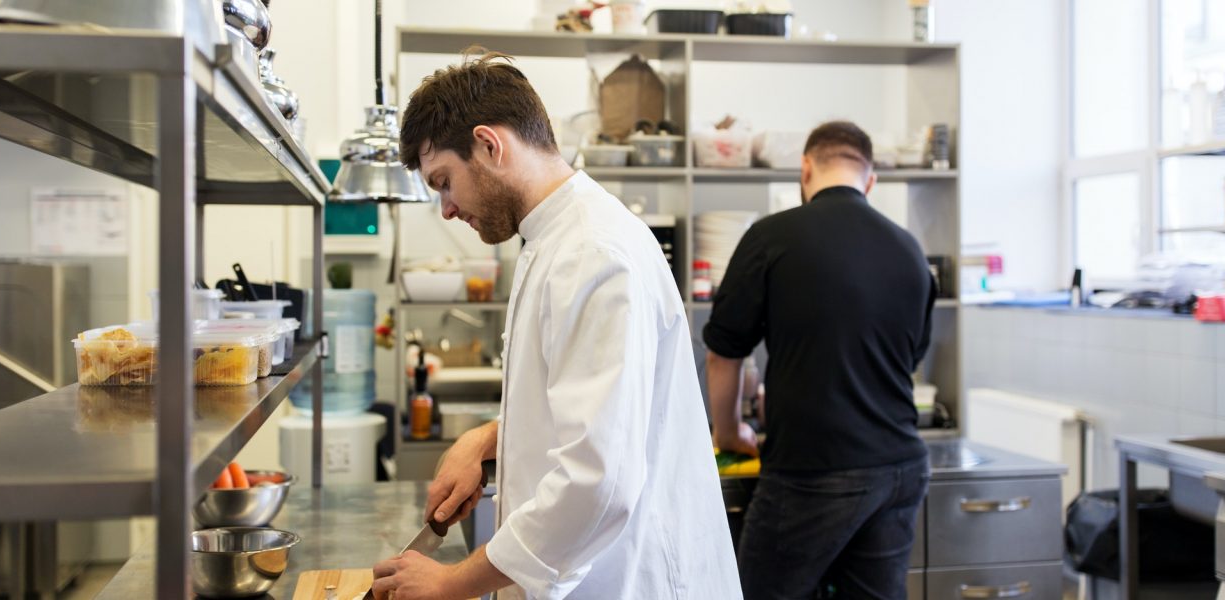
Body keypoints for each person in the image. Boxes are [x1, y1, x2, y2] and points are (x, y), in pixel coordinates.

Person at [370, 51, 741, 600]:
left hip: (631, 582)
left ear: (490, 145)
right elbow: (583, 407)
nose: (446, 209)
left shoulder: (593, 252)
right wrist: (487, 441)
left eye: (445, 181)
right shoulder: (555, 238)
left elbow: (598, 483)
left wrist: (451, 582)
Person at [705, 121, 935, 599]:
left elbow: (725, 352)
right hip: (900, 467)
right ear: (870, 180)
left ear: (805, 169)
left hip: (813, 472)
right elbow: (904, 357)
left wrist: (727, 431)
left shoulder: (771, 237)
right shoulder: (911, 250)